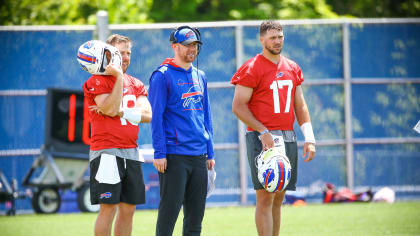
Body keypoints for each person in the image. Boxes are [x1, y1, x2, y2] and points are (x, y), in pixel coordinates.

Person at [231, 20, 316, 236]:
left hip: (288, 136)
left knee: (279, 197)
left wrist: (310, 137)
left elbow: (300, 105)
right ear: (262, 40)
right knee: (265, 196)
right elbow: (238, 107)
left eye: (280, 37)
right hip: (263, 138)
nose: (277, 41)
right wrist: (263, 131)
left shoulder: (292, 67)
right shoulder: (252, 67)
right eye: (272, 38)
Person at [148, 26, 215, 236]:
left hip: (199, 155)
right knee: (169, 215)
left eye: (195, 45)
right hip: (174, 155)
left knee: (195, 219)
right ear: (174, 46)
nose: (192, 50)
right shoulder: (162, 76)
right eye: (187, 45)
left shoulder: (200, 75)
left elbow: (206, 117)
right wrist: (159, 153)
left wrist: (210, 151)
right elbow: (155, 117)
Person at [83, 34, 152, 236]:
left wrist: (123, 112)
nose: (126, 56)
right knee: (108, 207)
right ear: (108, 55)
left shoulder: (136, 83)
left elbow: (148, 115)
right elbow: (110, 108)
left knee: (129, 208)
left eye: (128, 52)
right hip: (107, 152)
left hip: (131, 151)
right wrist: (119, 77)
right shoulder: (96, 81)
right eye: (120, 52)